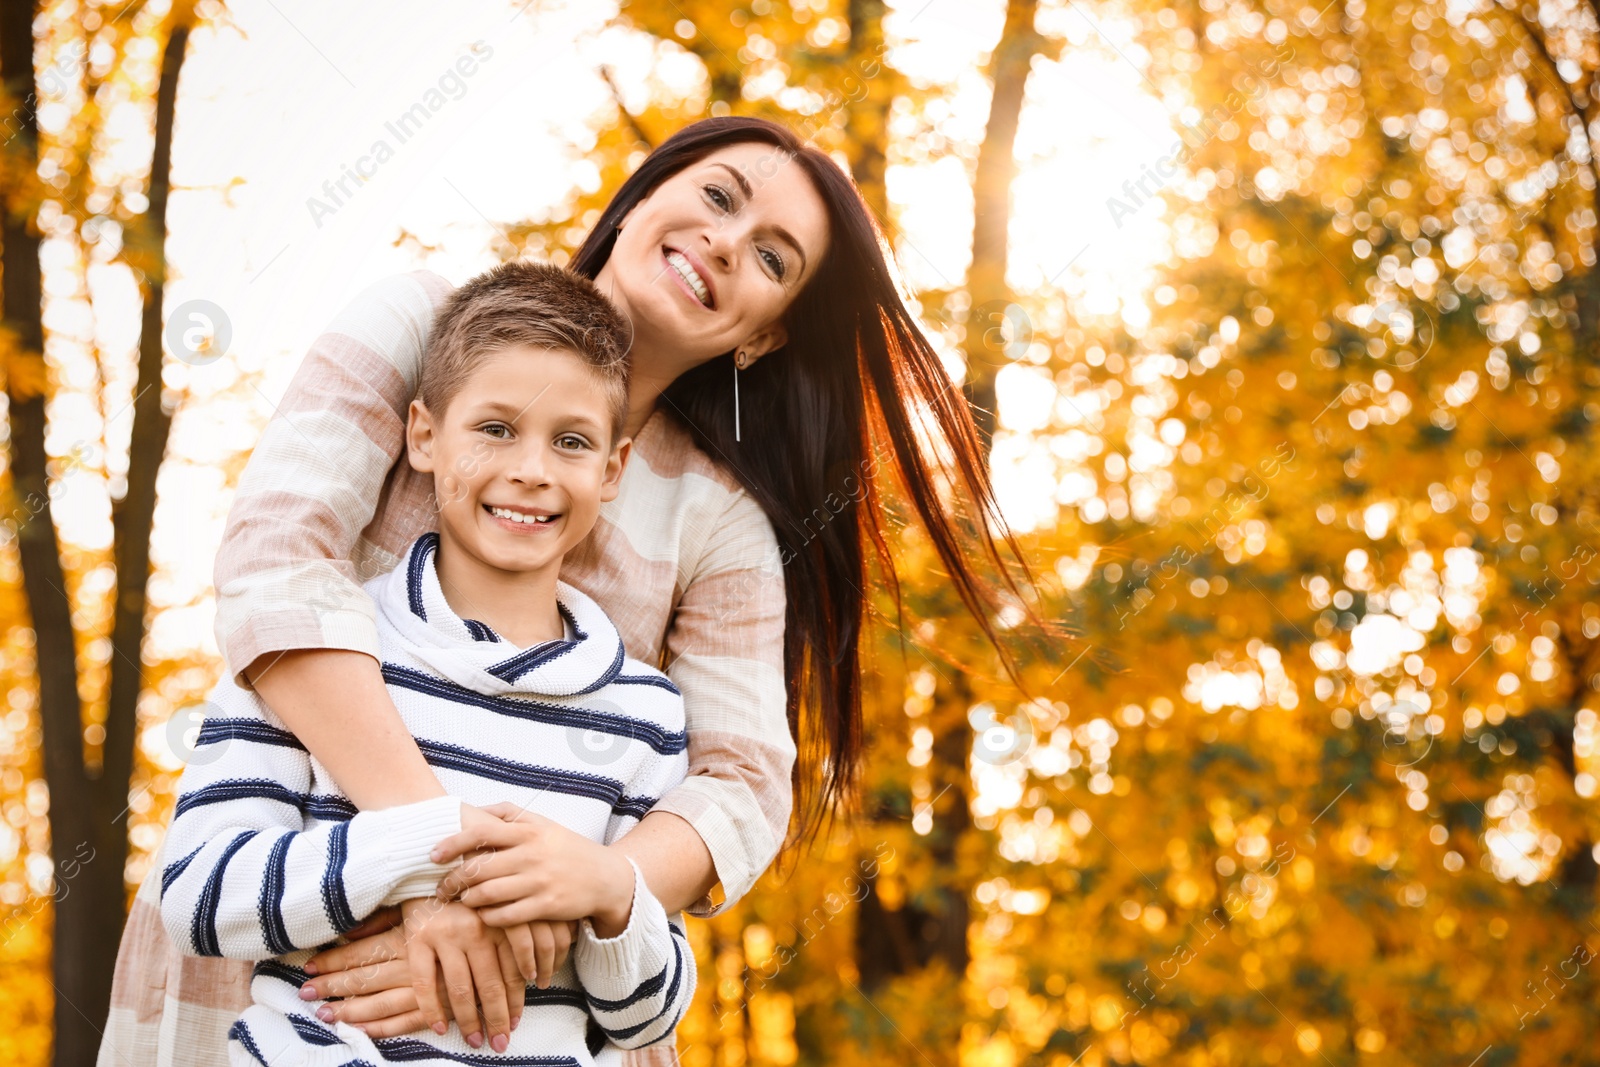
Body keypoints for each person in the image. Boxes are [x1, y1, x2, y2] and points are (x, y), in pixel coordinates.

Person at [101, 117, 1033, 1067]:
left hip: (537, 1005)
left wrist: (584, 891)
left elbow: (742, 781)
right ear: (642, 193)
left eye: (771, 256)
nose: (724, 241)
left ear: (765, 332)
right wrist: (432, 867)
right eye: (719, 197)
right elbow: (278, 560)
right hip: (292, 938)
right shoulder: (424, 328)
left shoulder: (718, 518)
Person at [158, 261, 695, 1066]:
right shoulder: (326, 648)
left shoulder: (644, 714)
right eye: (495, 427)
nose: (533, 469)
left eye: (572, 441)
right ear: (423, 435)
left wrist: (610, 891)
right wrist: (419, 848)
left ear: (611, 470)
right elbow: (199, 896)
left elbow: (644, 1020)